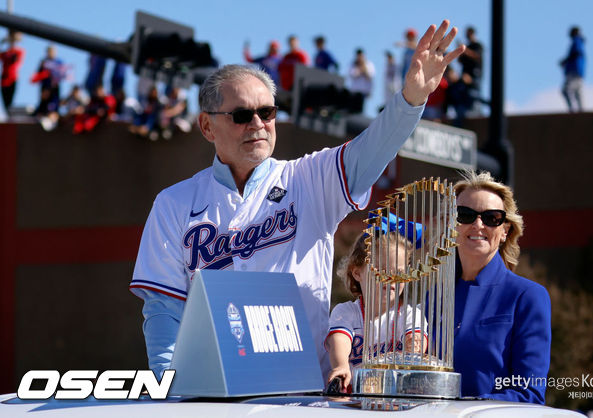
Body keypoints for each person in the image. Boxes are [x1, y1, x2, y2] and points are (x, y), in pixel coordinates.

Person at [129, 20, 465, 383]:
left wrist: (410, 101)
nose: (257, 123)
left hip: (302, 389)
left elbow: (370, 151)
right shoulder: (174, 203)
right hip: (214, 391)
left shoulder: (308, 178)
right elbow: (164, 310)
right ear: (207, 127)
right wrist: (168, 386)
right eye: (242, 115)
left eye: (267, 112)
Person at [449, 170, 551, 404]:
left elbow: (529, 393)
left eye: (491, 217)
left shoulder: (528, 296)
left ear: (505, 230)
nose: (477, 224)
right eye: (464, 214)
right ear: (450, 225)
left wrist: (461, 409)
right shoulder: (431, 296)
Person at [326, 217, 426, 392]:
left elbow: (415, 345)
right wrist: (341, 365)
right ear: (357, 273)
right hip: (354, 399)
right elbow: (339, 340)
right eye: (382, 271)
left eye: (399, 273)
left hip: (396, 397)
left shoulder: (411, 314)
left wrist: (412, 355)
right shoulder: (346, 312)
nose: (391, 279)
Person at [457, 26, 483, 115]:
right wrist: (459, 51)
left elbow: (476, 56)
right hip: (465, 78)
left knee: (474, 97)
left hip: (474, 76)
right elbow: (460, 61)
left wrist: (464, 50)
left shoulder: (477, 45)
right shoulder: (467, 47)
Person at [559, 26, 586, 113]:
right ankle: (580, 110)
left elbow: (577, 53)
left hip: (574, 70)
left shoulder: (577, 41)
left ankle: (572, 110)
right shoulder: (579, 41)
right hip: (578, 71)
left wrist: (566, 60)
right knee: (577, 92)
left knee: (566, 90)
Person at [0, 31, 25, 117]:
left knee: (10, 103)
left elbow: (16, 59)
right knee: (5, 103)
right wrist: (3, 43)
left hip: (12, 78)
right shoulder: (5, 53)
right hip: (4, 79)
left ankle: (9, 116)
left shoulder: (19, 51)